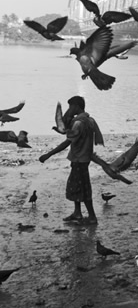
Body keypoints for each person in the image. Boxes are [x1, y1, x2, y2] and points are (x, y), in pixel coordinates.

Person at [39, 96, 104, 225]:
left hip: (79, 159)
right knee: (77, 185)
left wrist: (49, 154)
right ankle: (77, 213)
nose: (69, 109)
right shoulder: (90, 120)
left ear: (77, 106)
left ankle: (92, 217)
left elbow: (67, 142)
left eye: (71, 106)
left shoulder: (79, 123)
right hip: (84, 158)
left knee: (83, 188)